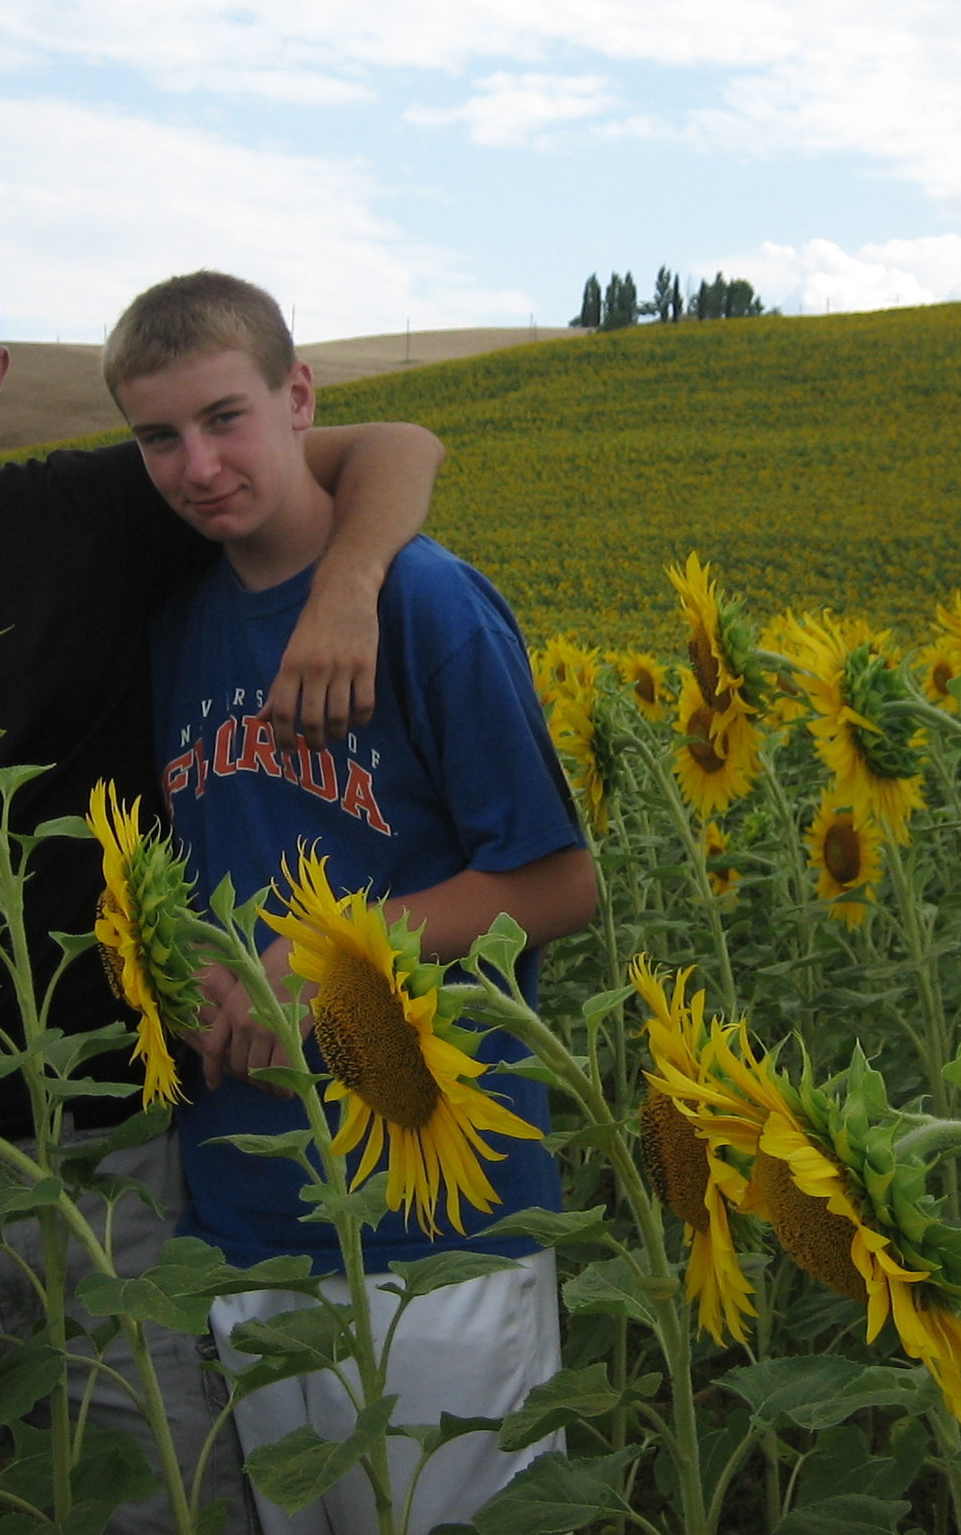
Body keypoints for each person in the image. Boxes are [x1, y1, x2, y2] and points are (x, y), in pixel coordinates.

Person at [0, 232, 445, 1535]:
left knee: (164, 1486)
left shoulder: (99, 515)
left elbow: (395, 447)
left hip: (112, 1136)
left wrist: (350, 583)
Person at [104, 270, 597, 1535]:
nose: (197, 464)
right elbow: (207, 867)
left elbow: (558, 883)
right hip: (250, 1206)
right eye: (159, 438)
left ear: (299, 397)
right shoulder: (171, 627)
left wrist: (333, 962)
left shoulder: (424, 601)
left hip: (441, 1215)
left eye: (225, 418)